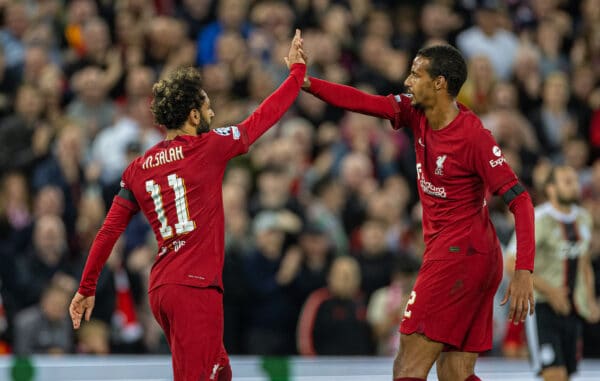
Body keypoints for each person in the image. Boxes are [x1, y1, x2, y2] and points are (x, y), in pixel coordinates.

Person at [69, 30, 306, 381]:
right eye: (207, 104)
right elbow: (262, 119)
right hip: (195, 288)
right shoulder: (208, 148)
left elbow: (108, 231)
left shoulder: (138, 168)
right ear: (194, 116)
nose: (212, 111)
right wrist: (297, 74)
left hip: (162, 288)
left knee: (220, 373)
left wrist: (86, 287)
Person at [303, 44, 535, 380]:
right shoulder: (417, 112)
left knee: (407, 365)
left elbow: (521, 201)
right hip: (471, 255)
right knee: (455, 373)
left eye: (416, 73)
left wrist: (524, 271)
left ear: (439, 83)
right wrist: (307, 82)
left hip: (460, 255)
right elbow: (364, 102)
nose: (408, 81)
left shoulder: (474, 137)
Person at [506, 165, 600, 381]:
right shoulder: (537, 219)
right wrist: (551, 292)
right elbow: (511, 263)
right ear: (551, 189)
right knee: (553, 375)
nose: (573, 186)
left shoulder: (584, 218)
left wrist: (591, 299)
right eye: (566, 182)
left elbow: (584, 262)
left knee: (567, 375)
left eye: (575, 181)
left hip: (573, 309)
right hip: (542, 309)